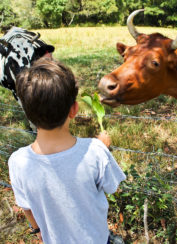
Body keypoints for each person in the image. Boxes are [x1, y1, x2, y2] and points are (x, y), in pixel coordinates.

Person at [8, 58, 126, 244]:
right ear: (74, 110)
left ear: (27, 112)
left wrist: (37, 230)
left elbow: (27, 208)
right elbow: (112, 187)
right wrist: (102, 147)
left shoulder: (18, 161)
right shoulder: (95, 151)